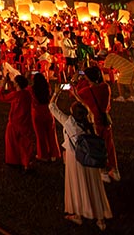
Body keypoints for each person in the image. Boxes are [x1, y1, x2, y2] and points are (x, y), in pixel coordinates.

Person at [49, 92, 112, 231]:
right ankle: (100, 220)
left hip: (75, 159)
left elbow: (52, 107)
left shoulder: (69, 123)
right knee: (93, 186)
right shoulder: (90, 121)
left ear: (73, 114)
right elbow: (87, 108)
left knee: (77, 185)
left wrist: (56, 93)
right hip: (91, 158)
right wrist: (77, 95)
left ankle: (78, 215)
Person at [74, 66, 119, 182]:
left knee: (97, 146)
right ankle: (114, 169)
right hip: (106, 119)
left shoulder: (87, 91)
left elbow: (78, 96)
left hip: (95, 121)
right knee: (109, 144)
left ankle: (103, 171)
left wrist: (78, 81)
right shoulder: (106, 87)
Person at [0, 73, 36, 172]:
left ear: (17, 84)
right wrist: (10, 83)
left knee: (12, 142)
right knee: (26, 144)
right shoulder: (27, 94)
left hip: (14, 123)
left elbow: (1, 97)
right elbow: (15, 93)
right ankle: (26, 163)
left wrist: (3, 85)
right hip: (26, 122)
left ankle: (14, 161)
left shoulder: (16, 95)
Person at [30, 72, 61, 162]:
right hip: (48, 112)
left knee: (40, 135)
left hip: (37, 113)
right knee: (51, 133)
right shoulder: (47, 87)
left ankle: (43, 154)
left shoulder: (32, 89)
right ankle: (54, 154)